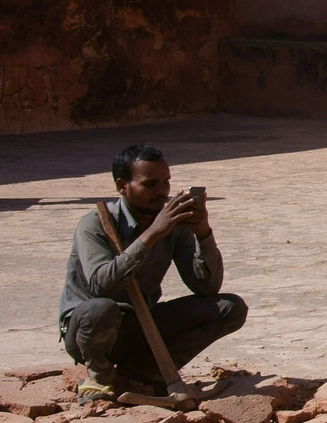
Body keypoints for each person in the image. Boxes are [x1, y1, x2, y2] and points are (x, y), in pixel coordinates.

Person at [59, 143, 247, 395]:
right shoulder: (95, 225)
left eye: (166, 183)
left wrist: (203, 232)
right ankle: (100, 375)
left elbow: (207, 287)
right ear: (122, 186)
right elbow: (101, 286)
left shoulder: (173, 224)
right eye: (150, 185)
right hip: (91, 332)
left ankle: (144, 371)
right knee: (101, 309)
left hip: (140, 325)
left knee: (229, 308)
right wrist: (152, 235)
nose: (161, 192)